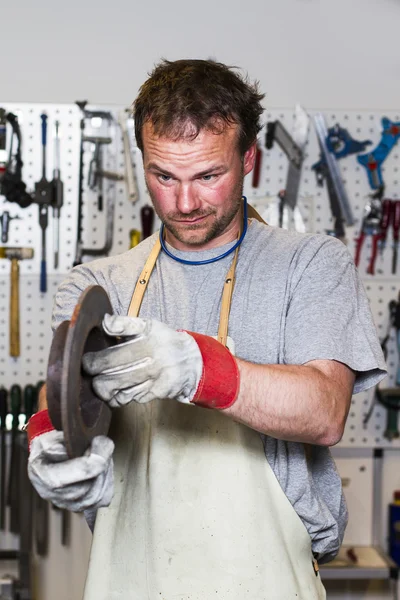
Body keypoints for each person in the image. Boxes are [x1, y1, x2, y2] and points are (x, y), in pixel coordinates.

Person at [27, 59, 386, 599]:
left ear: (247, 159)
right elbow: (64, 398)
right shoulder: (98, 284)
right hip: (131, 576)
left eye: (208, 176)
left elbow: (325, 412)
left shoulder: (310, 264)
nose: (185, 202)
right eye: (163, 176)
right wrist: (48, 439)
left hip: (265, 580)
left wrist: (199, 367)